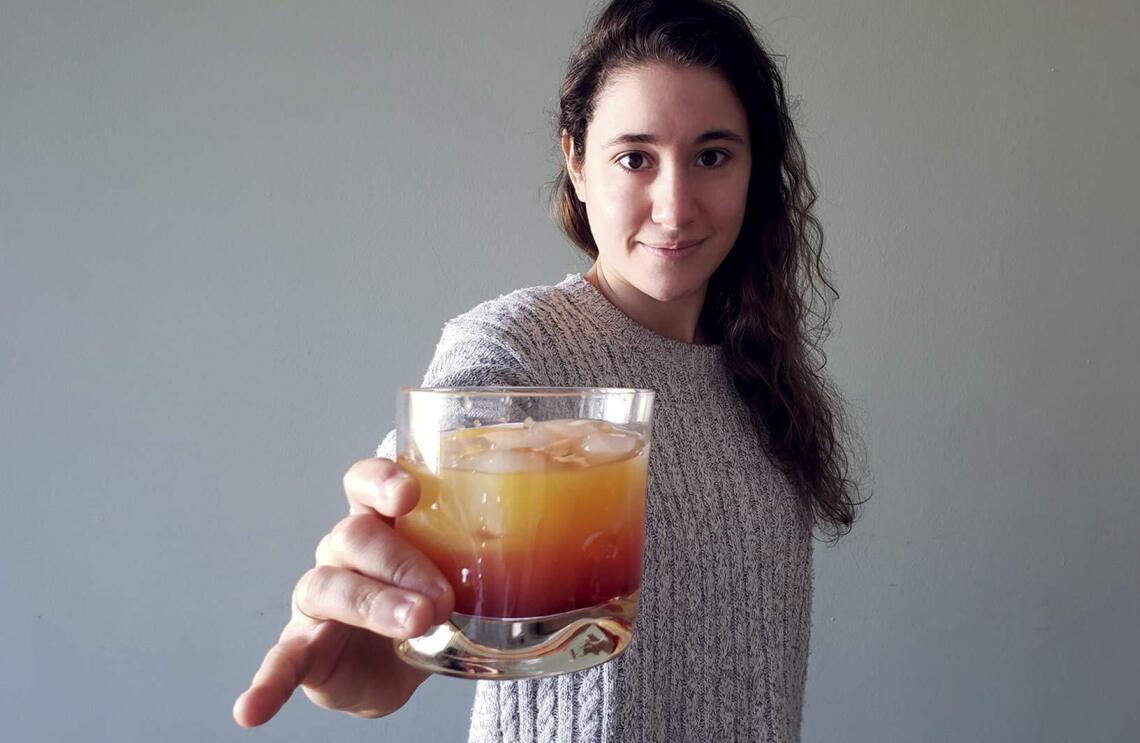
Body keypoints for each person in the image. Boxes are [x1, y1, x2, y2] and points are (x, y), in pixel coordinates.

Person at [233, 0, 863, 740]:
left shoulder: (757, 366)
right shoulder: (516, 348)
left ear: (755, 167)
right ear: (577, 163)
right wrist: (379, 641)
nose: (676, 204)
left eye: (713, 155)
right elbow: (423, 582)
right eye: (635, 158)